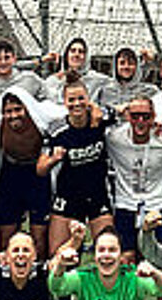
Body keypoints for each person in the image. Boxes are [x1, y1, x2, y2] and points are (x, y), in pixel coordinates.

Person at [0, 88, 65, 260]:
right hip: (10, 176)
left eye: (18, 110)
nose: (13, 115)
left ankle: (38, 270)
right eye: (8, 111)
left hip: (37, 177)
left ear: (27, 108)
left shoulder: (41, 119)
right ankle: (7, 270)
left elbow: (66, 112)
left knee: (39, 234)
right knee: (7, 233)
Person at [36, 72, 116, 254]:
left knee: (109, 248)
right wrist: (53, 159)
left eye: (81, 98)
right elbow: (40, 169)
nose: (77, 103)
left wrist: (96, 108)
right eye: (71, 100)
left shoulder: (100, 119)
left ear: (88, 99)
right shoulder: (57, 130)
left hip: (98, 194)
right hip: (68, 196)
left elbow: (123, 111)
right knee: (58, 254)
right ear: (64, 102)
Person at [105, 95, 162, 263]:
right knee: (125, 259)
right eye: (135, 116)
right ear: (128, 116)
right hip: (126, 203)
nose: (140, 121)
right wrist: (117, 110)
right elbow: (93, 117)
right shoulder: (114, 138)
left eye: (146, 116)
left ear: (154, 117)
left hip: (160, 202)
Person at [0, 39, 48, 117]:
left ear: (14, 59)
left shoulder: (30, 80)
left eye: (7, 58)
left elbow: (48, 102)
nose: (3, 62)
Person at [45, 37, 109, 103]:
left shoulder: (98, 80)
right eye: (73, 51)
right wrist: (42, 60)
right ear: (66, 55)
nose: (76, 54)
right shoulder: (54, 81)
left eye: (81, 52)